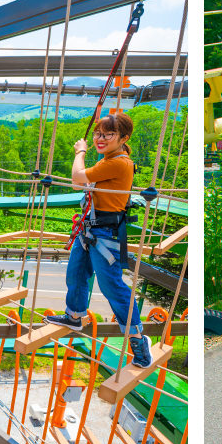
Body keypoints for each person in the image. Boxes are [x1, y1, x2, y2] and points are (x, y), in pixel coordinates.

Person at [45, 112, 154, 368]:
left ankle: (138, 339)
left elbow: (76, 179)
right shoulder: (109, 159)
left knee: (112, 287)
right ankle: (74, 315)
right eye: (98, 133)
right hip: (91, 229)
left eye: (108, 134)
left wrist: (80, 151)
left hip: (104, 233)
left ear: (123, 138)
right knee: (76, 274)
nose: (100, 139)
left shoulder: (118, 162)